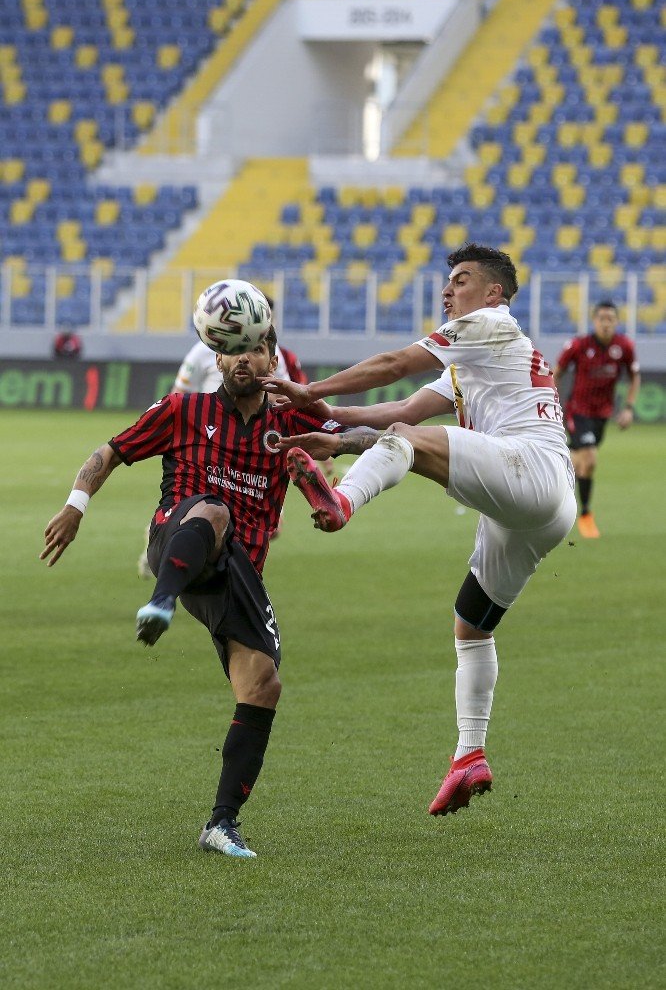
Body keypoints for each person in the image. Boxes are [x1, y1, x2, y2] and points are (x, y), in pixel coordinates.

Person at [262, 243, 577, 818]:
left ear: (494, 293)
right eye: (447, 282)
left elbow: (393, 365)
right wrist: (335, 429)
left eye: (460, 280)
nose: (447, 290)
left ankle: (340, 502)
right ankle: (469, 755)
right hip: (541, 511)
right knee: (471, 627)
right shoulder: (471, 359)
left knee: (408, 443)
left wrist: (313, 393)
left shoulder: (489, 325)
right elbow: (401, 408)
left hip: (531, 467)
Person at [40, 324, 364, 859]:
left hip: (238, 570)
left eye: (255, 348)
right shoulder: (182, 410)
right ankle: (160, 600)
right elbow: (111, 451)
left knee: (263, 686)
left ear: (271, 357)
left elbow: (371, 437)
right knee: (214, 509)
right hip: (179, 538)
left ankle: (221, 824)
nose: (244, 359)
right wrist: (76, 504)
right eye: (232, 350)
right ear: (217, 359)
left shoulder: (291, 419)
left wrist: (340, 441)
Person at [136, 305, 331, 576]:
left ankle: (206, 570)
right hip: (208, 442)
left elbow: (283, 398)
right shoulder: (203, 350)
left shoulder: (271, 355)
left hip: (254, 446)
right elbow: (180, 389)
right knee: (206, 515)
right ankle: (176, 553)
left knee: (268, 529)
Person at [553, 300, 640, 538]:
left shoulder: (624, 347)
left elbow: (634, 376)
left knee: (578, 462)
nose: (606, 323)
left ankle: (557, 486)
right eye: (602, 318)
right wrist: (554, 404)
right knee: (589, 458)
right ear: (594, 321)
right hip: (577, 411)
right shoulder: (579, 345)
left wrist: (629, 408)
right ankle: (585, 515)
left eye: (610, 319)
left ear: (616, 322)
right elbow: (556, 372)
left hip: (602, 415)